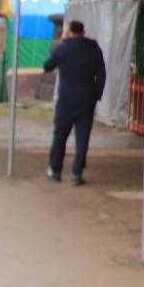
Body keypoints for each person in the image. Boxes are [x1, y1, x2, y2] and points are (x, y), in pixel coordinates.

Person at [43, 19, 107, 185]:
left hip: (66, 98)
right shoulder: (93, 48)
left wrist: (61, 42)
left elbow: (47, 66)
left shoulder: (63, 48)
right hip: (87, 98)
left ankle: (55, 170)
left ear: (69, 32)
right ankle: (76, 173)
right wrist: (97, 94)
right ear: (83, 32)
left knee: (60, 135)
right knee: (83, 137)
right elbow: (102, 73)